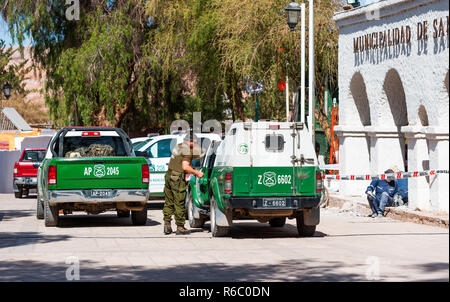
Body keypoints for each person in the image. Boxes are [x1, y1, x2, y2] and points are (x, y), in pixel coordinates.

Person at [163, 133, 204, 235]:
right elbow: (185, 166)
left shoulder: (179, 146)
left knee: (169, 201)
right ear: (192, 141)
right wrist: (197, 172)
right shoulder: (187, 151)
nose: (196, 144)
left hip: (169, 176)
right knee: (179, 202)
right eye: (195, 142)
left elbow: (180, 161)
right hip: (177, 178)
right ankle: (180, 227)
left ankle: (167, 225)